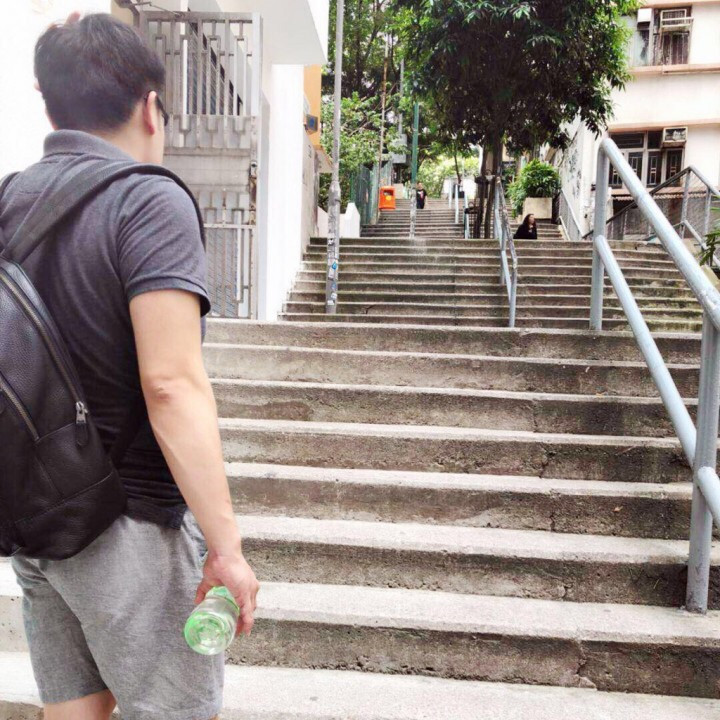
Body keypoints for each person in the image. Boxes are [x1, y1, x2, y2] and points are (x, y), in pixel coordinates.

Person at [0, 13, 258, 720]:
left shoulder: (10, 199)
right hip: (130, 522)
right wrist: (227, 549)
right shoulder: (148, 198)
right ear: (150, 107)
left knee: (74, 713)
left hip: (38, 518)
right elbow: (170, 384)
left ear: (50, 106)